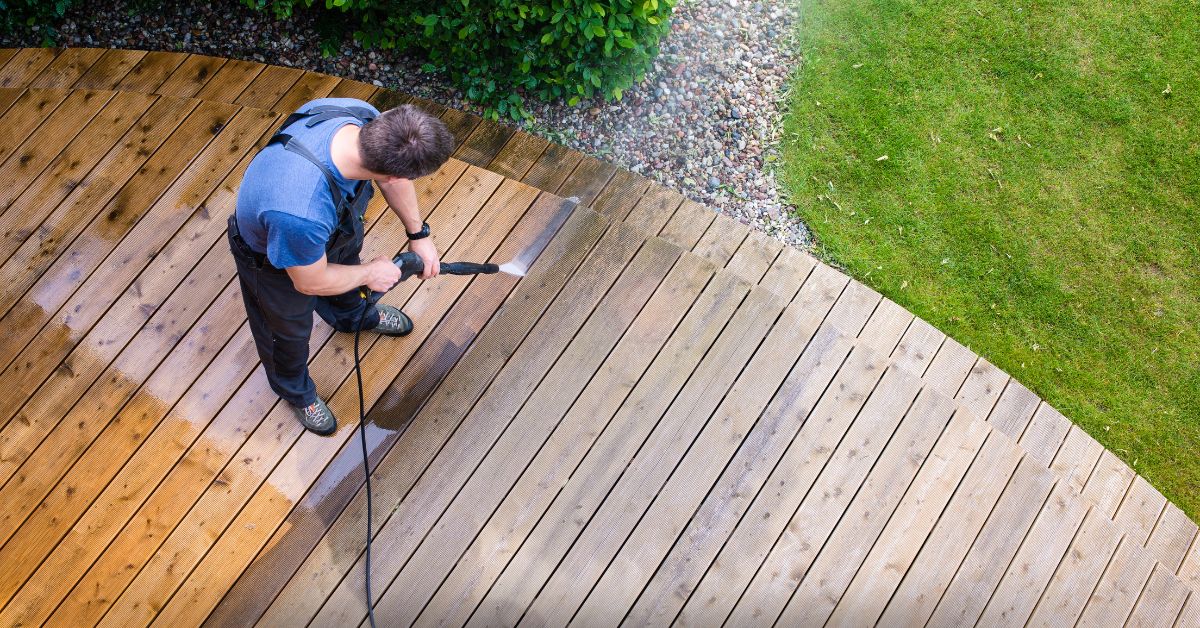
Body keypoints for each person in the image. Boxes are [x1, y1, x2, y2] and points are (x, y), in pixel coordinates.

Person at [228, 97, 454, 435]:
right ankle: (296, 391)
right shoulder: (300, 211)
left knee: (348, 275)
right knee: (286, 334)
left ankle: (352, 318)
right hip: (275, 262)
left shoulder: (367, 119)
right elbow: (310, 281)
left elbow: (393, 180)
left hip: (332, 231)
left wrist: (418, 234)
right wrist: (370, 274)